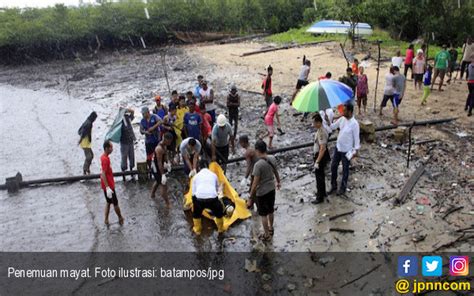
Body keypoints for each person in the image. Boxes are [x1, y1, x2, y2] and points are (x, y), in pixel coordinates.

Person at [250, 140, 280, 241]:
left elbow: (255, 183)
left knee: (263, 214)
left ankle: (266, 234)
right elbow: (275, 171)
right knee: (271, 210)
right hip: (271, 188)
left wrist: (250, 197)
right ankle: (271, 228)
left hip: (262, 192)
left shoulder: (258, 165)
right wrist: (278, 181)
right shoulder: (272, 158)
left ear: (258, 150)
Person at [329, 103, 360, 196]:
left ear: (350, 112)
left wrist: (355, 151)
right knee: (333, 166)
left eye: (345, 110)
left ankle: (343, 187)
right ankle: (333, 185)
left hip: (347, 150)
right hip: (338, 147)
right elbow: (333, 127)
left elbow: (356, 139)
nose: (343, 112)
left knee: (345, 169)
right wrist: (328, 120)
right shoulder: (342, 119)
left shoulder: (354, 124)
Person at [191, 160, 225, 235]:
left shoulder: (196, 176)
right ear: (208, 167)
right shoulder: (213, 175)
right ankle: (220, 229)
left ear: (199, 167)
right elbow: (216, 190)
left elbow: (193, 193)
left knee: (196, 214)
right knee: (219, 212)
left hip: (199, 199)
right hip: (212, 198)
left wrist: (195, 205)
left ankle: (197, 230)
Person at [100, 140, 124, 226]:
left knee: (108, 202)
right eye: (111, 147)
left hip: (107, 185)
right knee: (115, 203)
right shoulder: (105, 159)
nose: (112, 149)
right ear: (107, 148)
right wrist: (107, 187)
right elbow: (103, 173)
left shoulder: (104, 157)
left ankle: (106, 220)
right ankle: (120, 217)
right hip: (109, 185)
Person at [311, 113, 330, 204]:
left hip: (320, 156)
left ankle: (320, 197)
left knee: (319, 177)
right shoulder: (320, 130)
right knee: (321, 175)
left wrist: (317, 161)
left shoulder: (322, 132)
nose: (313, 124)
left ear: (319, 122)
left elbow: (322, 148)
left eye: (314, 122)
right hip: (319, 155)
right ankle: (323, 192)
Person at [150, 132, 172, 207]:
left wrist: (167, 162)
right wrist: (163, 175)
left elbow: (165, 155)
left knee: (157, 181)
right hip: (156, 167)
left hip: (157, 165)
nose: (170, 143)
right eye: (169, 142)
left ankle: (152, 194)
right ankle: (167, 203)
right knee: (164, 185)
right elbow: (159, 163)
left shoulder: (164, 146)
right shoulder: (159, 148)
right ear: (165, 139)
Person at [140, 107, 162, 175]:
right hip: (148, 141)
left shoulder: (154, 116)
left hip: (156, 140)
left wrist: (153, 127)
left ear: (147, 112)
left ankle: (159, 168)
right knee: (149, 156)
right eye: (142, 114)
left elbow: (160, 121)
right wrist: (146, 132)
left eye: (144, 114)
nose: (143, 115)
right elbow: (141, 131)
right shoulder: (142, 121)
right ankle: (149, 169)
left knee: (157, 155)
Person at [120, 108, 136, 182]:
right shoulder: (119, 121)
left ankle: (132, 172)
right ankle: (123, 174)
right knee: (124, 157)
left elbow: (132, 112)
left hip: (130, 141)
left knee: (131, 157)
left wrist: (127, 109)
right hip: (124, 142)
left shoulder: (128, 118)